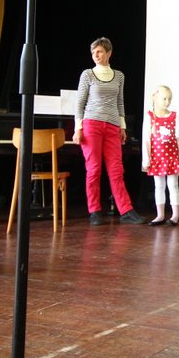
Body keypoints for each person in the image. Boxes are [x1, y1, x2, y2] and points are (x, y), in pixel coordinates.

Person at [74, 37, 145, 225]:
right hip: (91, 125)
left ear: (109, 53)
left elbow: (120, 102)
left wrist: (122, 126)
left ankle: (126, 210)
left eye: (99, 52)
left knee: (116, 169)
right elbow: (79, 103)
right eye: (93, 52)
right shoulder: (87, 74)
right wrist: (78, 127)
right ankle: (94, 211)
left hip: (112, 125)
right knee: (94, 168)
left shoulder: (119, 76)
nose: (95, 55)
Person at [142, 85, 179, 226]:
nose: (167, 102)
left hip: (171, 157)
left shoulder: (174, 116)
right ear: (155, 98)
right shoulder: (150, 117)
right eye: (164, 98)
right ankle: (160, 215)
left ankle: (175, 215)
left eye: (169, 99)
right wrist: (146, 160)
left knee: (173, 185)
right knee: (159, 186)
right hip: (157, 158)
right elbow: (146, 139)